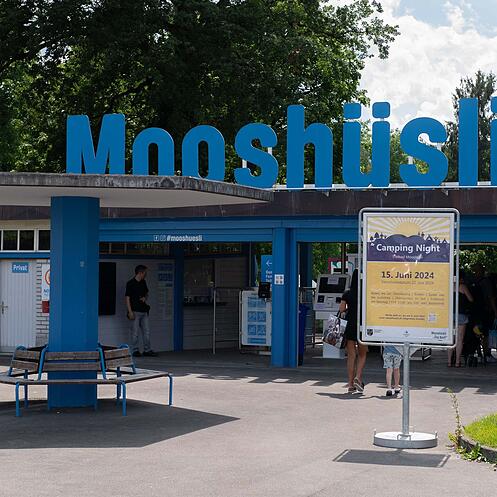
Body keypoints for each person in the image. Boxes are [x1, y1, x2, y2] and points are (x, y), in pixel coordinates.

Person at [339, 269, 367, 393]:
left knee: (351, 356)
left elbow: (341, 309)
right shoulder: (365, 293)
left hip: (349, 325)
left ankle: (350, 384)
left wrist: (348, 310)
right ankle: (358, 377)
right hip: (362, 326)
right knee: (362, 354)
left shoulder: (347, 293)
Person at [125, 265, 157, 357]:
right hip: (135, 311)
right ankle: (135, 350)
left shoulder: (143, 282)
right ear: (140, 273)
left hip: (144, 311)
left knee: (146, 332)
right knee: (135, 333)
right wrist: (130, 311)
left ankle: (147, 350)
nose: (146, 275)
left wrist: (145, 298)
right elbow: (127, 298)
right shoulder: (130, 283)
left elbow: (147, 293)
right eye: (145, 273)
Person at [470, 263, 497, 363]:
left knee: (476, 332)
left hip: (473, 311)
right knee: (485, 333)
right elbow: (490, 298)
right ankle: (487, 355)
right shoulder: (486, 282)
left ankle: (479, 354)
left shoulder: (472, 281)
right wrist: (495, 311)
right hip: (485, 311)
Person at [448, 270, 473, 367]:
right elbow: (471, 299)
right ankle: (457, 361)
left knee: (451, 339)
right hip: (461, 314)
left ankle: (449, 361)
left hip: (450, 315)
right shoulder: (462, 287)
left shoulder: (449, 286)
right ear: (461, 278)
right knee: (460, 339)